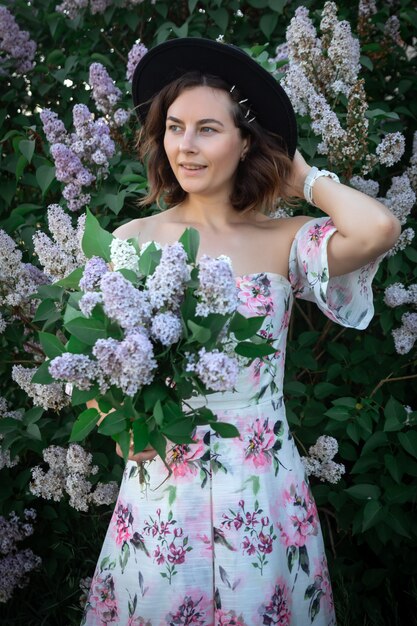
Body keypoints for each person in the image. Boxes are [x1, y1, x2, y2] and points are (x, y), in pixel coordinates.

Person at [81, 38, 401, 626]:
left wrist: (303, 179)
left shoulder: (284, 240)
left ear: (245, 139)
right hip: (161, 494)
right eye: (175, 127)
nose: (186, 145)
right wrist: (119, 425)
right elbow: (101, 369)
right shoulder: (130, 241)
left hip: (261, 493)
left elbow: (379, 228)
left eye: (208, 128)